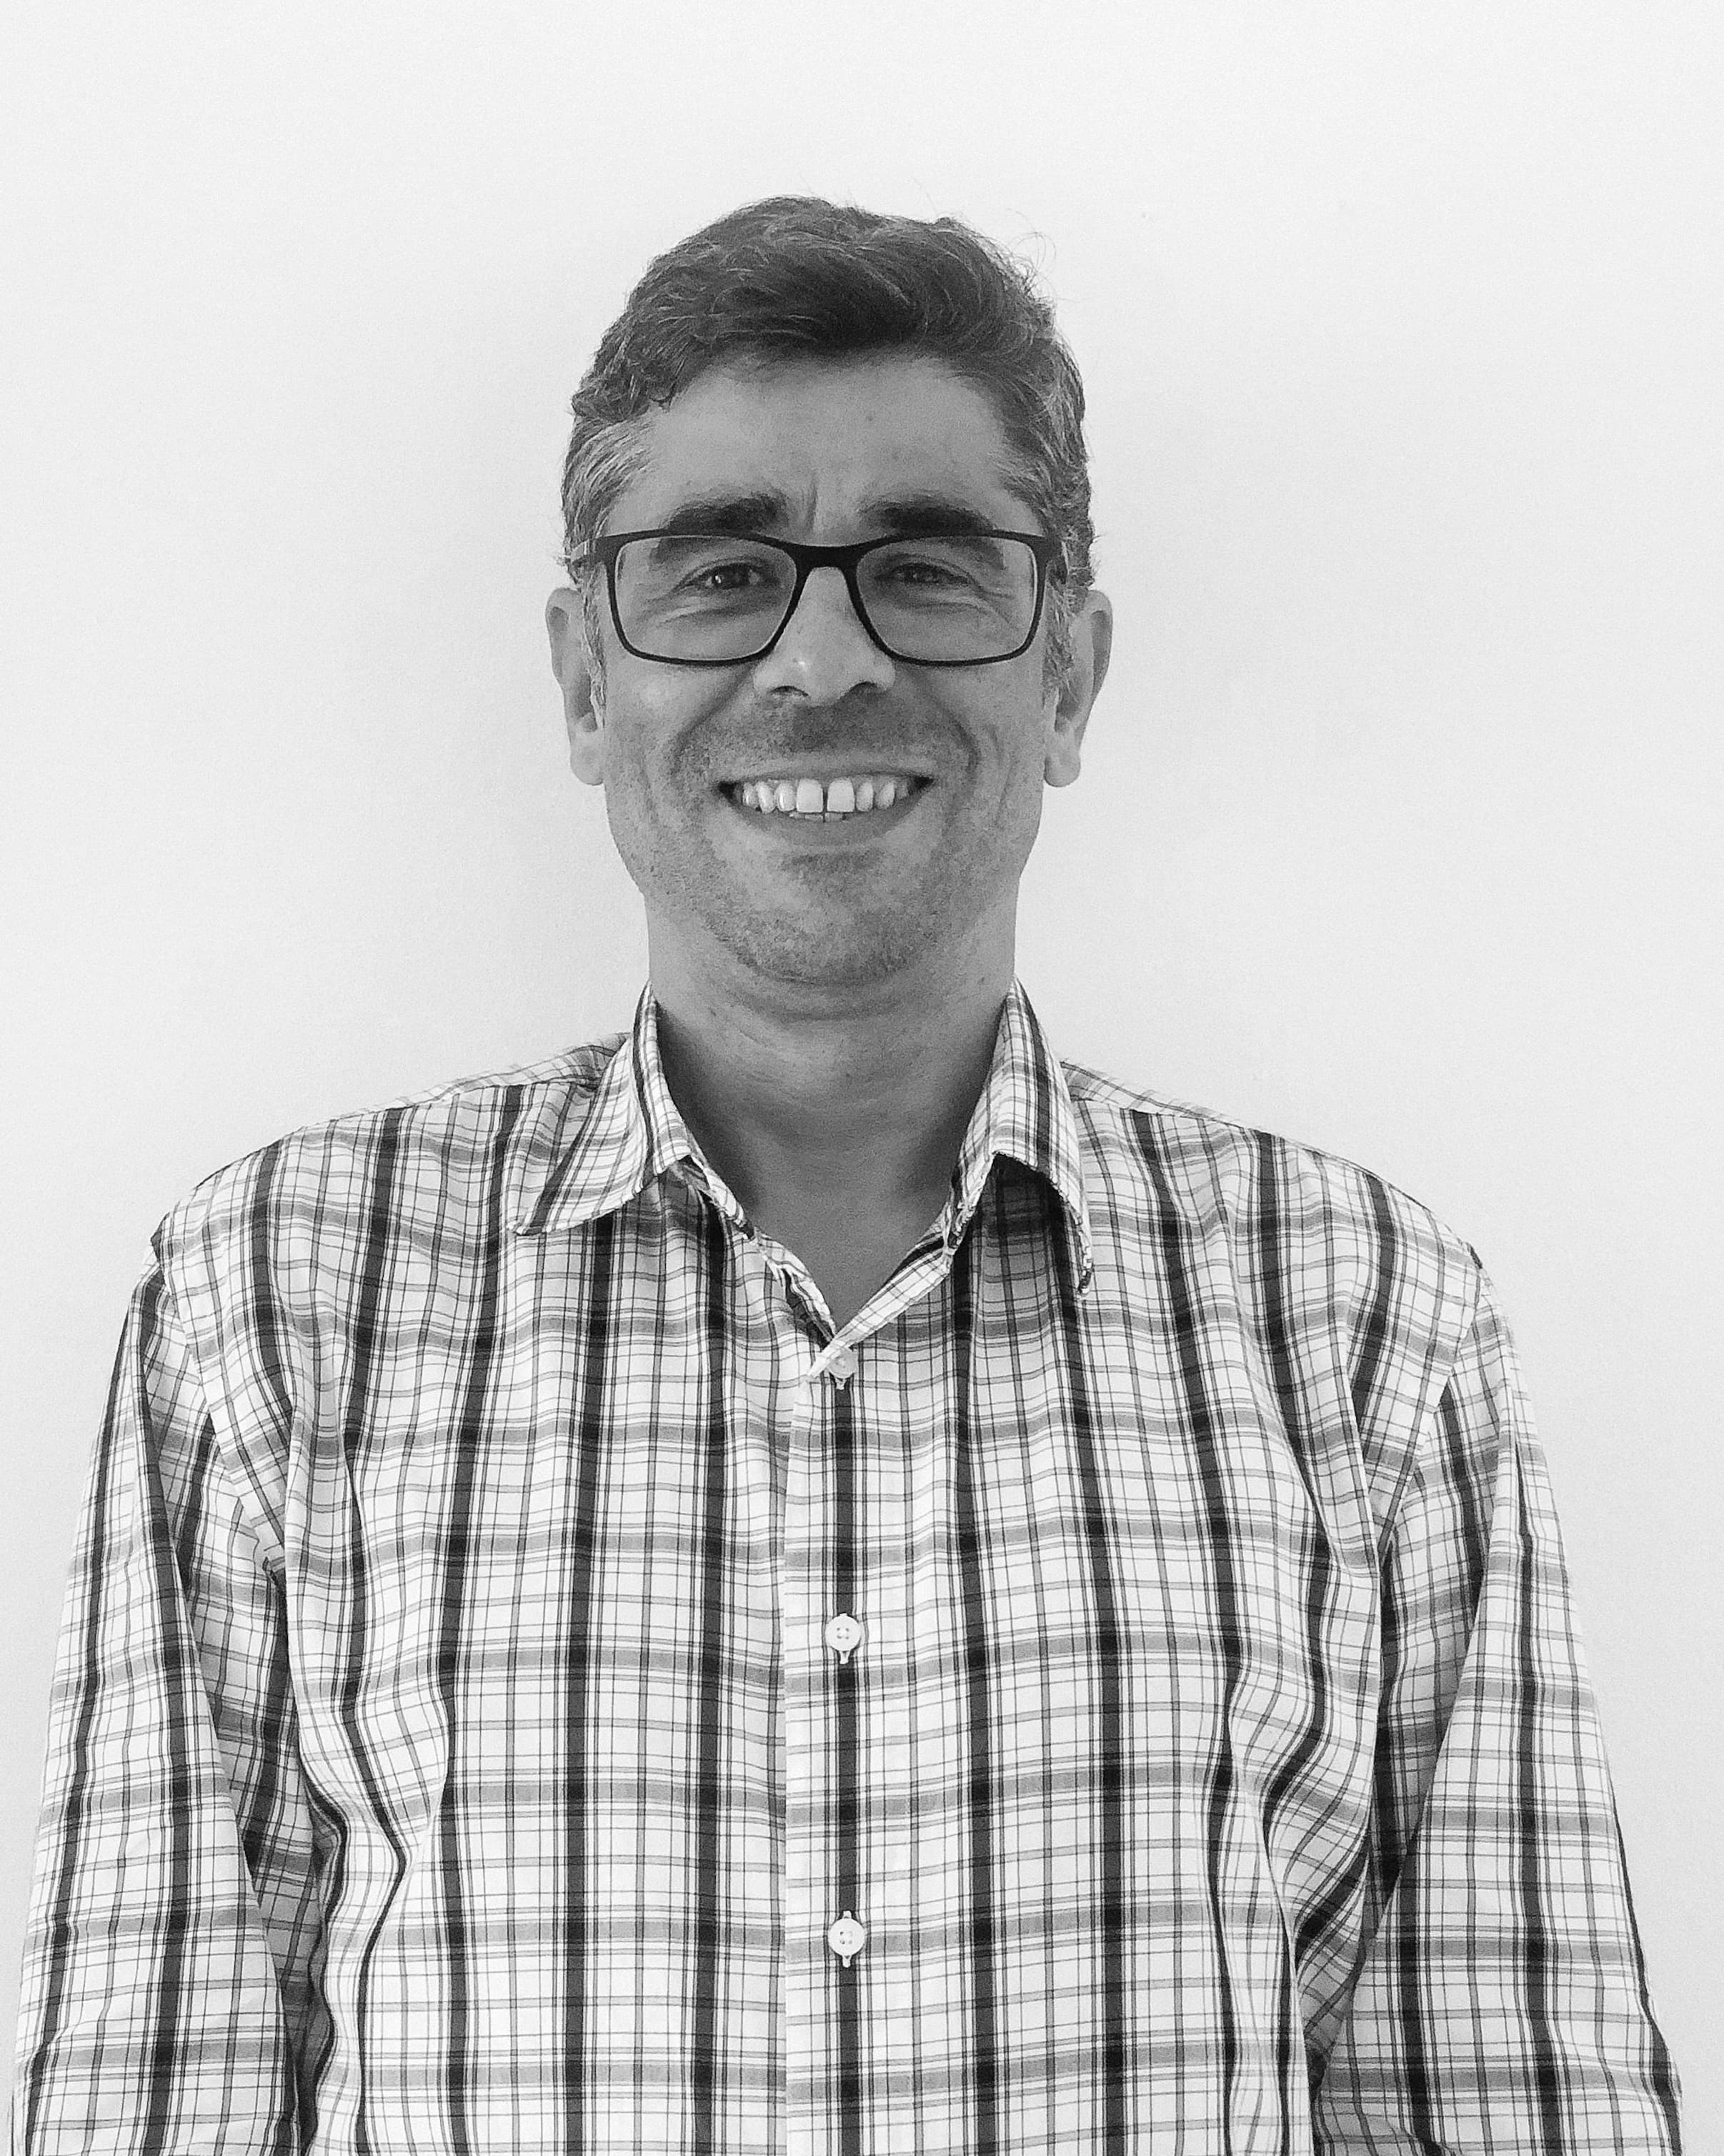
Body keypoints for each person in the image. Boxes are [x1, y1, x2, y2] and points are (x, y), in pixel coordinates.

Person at [9, 197, 1683, 2154]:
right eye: (721, 572)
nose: (820, 659)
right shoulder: (277, 1304)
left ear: (1069, 675)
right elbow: (147, 2106)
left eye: (926, 566)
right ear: (580, 679)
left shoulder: (1368, 1323)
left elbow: (1516, 2104)